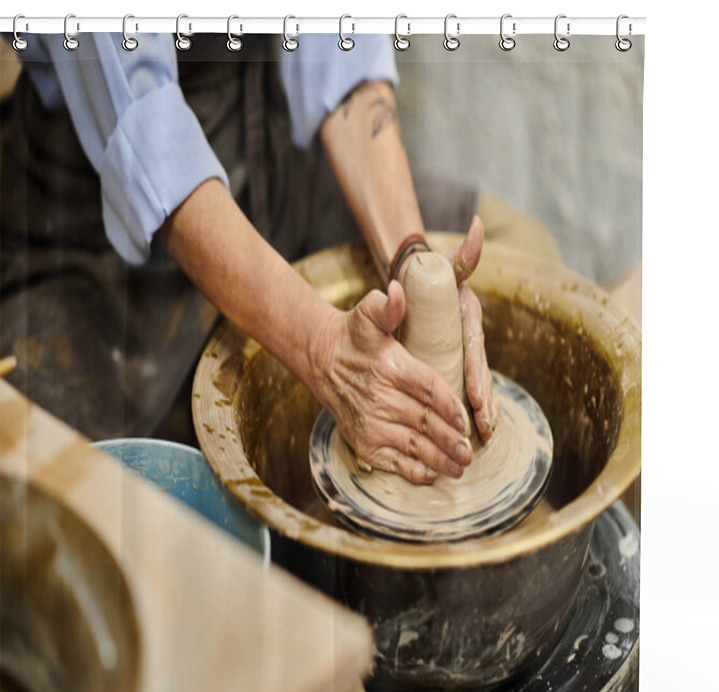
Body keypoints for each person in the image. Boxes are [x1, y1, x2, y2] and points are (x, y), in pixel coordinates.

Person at [0, 32, 497, 485]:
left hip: (268, 153)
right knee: (81, 506)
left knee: (519, 241)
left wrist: (410, 261)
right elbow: (150, 142)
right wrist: (326, 350)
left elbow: (341, 57)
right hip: (96, 222)